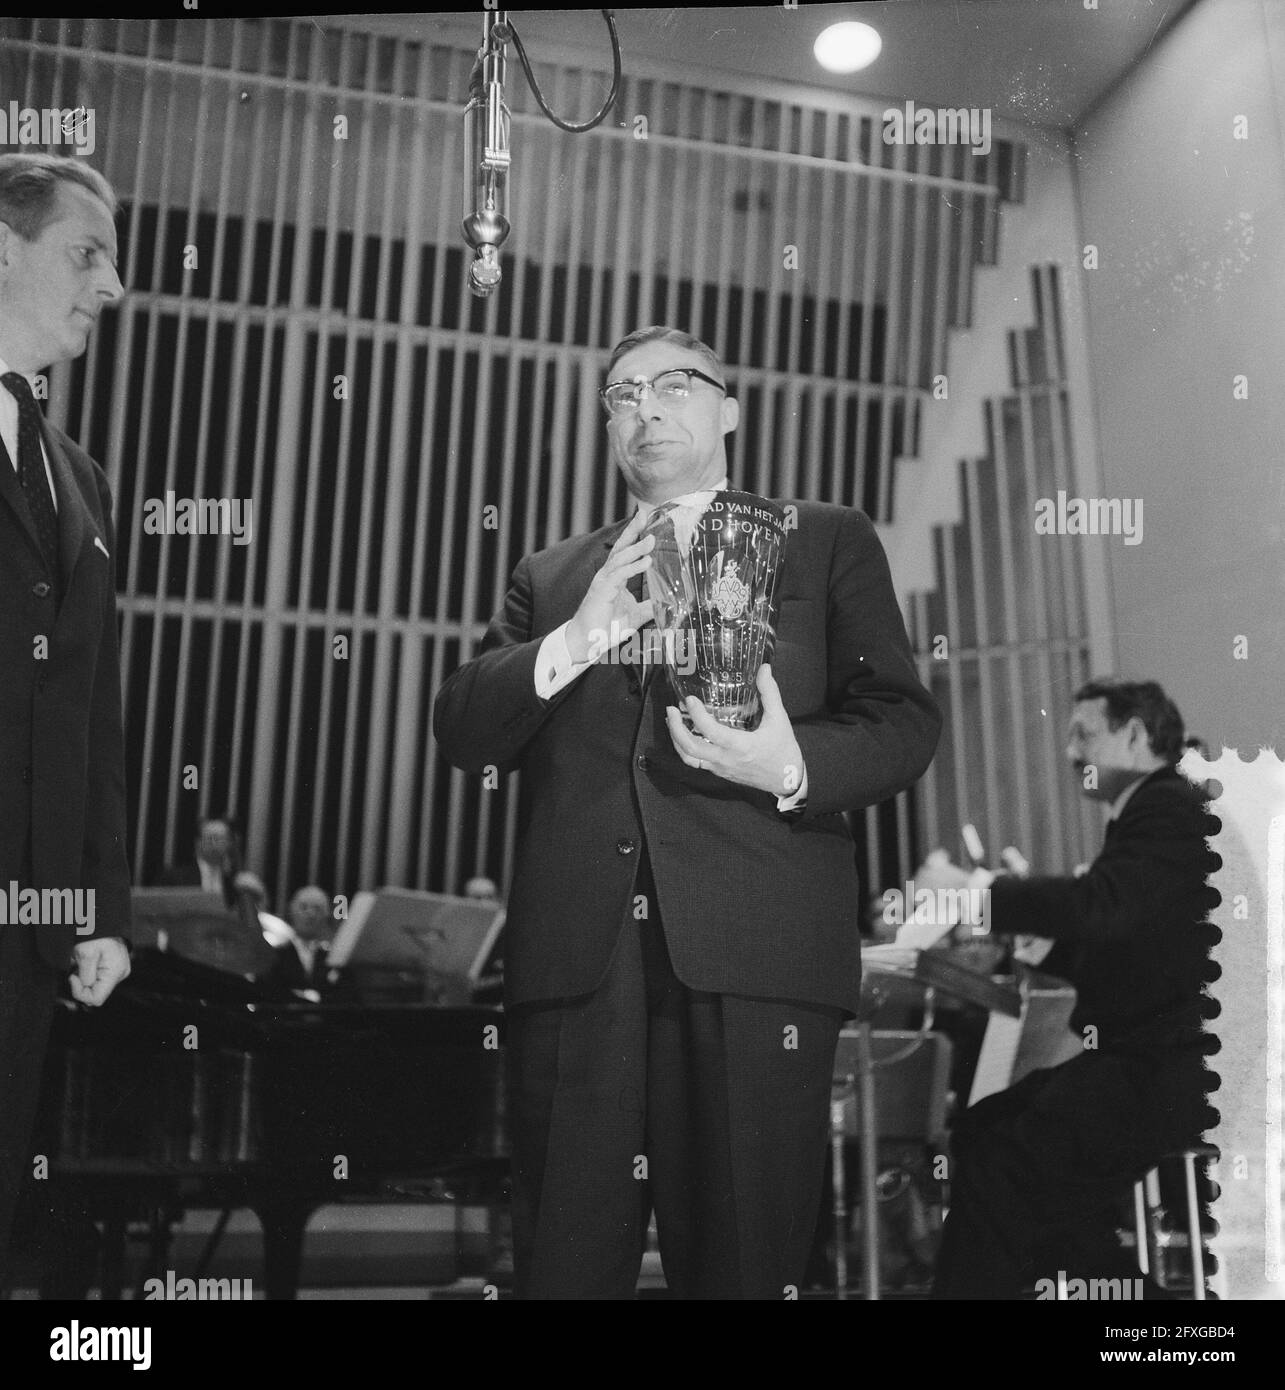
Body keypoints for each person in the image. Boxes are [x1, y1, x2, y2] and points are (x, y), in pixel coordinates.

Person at [434, 325, 941, 1299]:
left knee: (744, 1266)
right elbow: (461, 726)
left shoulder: (820, 536)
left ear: (729, 407)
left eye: (674, 385)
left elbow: (902, 723)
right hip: (579, 973)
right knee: (560, 1273)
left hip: (757, 960)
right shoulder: (552, 575)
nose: (645, 407)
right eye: (621, 394)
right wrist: (574, 642)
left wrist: (788, 760)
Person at [916, 678, 1216, 1299]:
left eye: (1084, 733)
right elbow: (1125, 940)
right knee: (991, 1142)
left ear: (1135, 734)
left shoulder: (1165, 805)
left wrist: (977, 893)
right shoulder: (1150, 813)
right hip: (1154, 1061)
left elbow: (1101, 907)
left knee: (1005, 1157)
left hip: (1169, 1067)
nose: (1070, 751)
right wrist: (1046, 944)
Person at [0, 153, 130, 1283]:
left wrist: (100, 908)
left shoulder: (78, 473)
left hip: (28, 936)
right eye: (86, 255)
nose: (115, 285)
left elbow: (94, 718)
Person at [259, 884, 348, 996]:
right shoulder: (276, 953)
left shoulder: (332, 957)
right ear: (292, 910)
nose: (310, 914)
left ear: (326, 915)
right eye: (303, 907)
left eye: (317, 909)